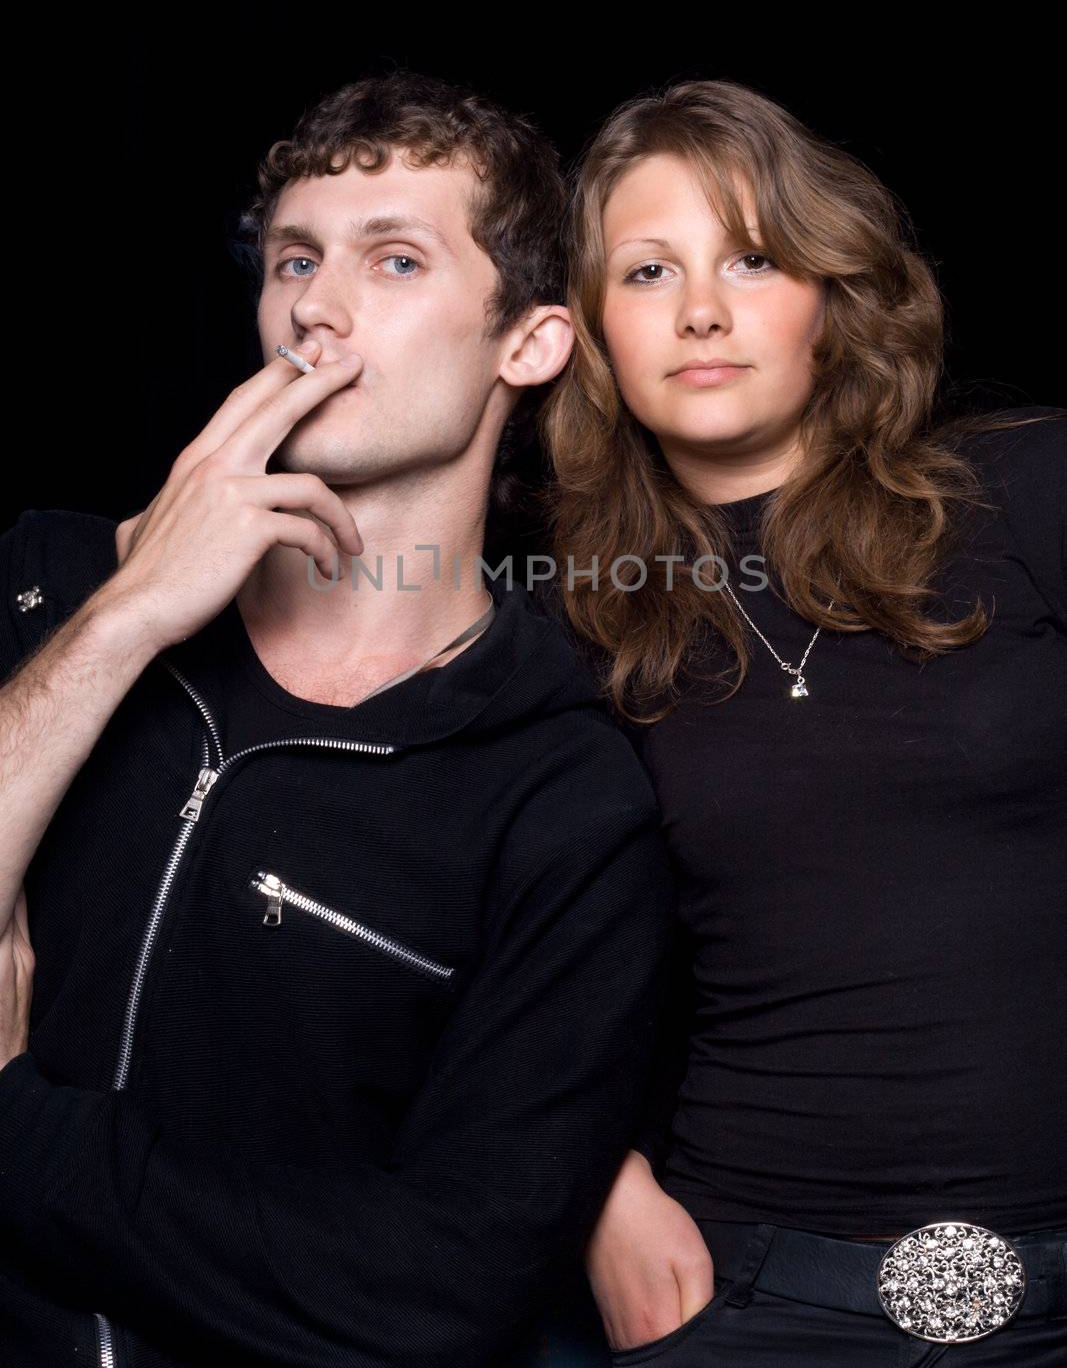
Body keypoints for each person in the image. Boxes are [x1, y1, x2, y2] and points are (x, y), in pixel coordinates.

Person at [0, 70, 675, 1368]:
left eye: (396, 260)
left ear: (526, 344)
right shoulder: (49, 583)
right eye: (294, 260)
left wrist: (16, 1127)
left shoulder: (557, 792)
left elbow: (434, 1293)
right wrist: (127, 619)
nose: (314, 305)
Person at [536, 79, 1067, 1365]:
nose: (702, 311)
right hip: (761, 1300)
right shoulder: (566, 621)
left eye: (754, 257)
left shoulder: (1026, 489)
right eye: (648, 270)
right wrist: (596, 1186)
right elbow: (462, 948)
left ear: (831, 294)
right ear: (588, 332)